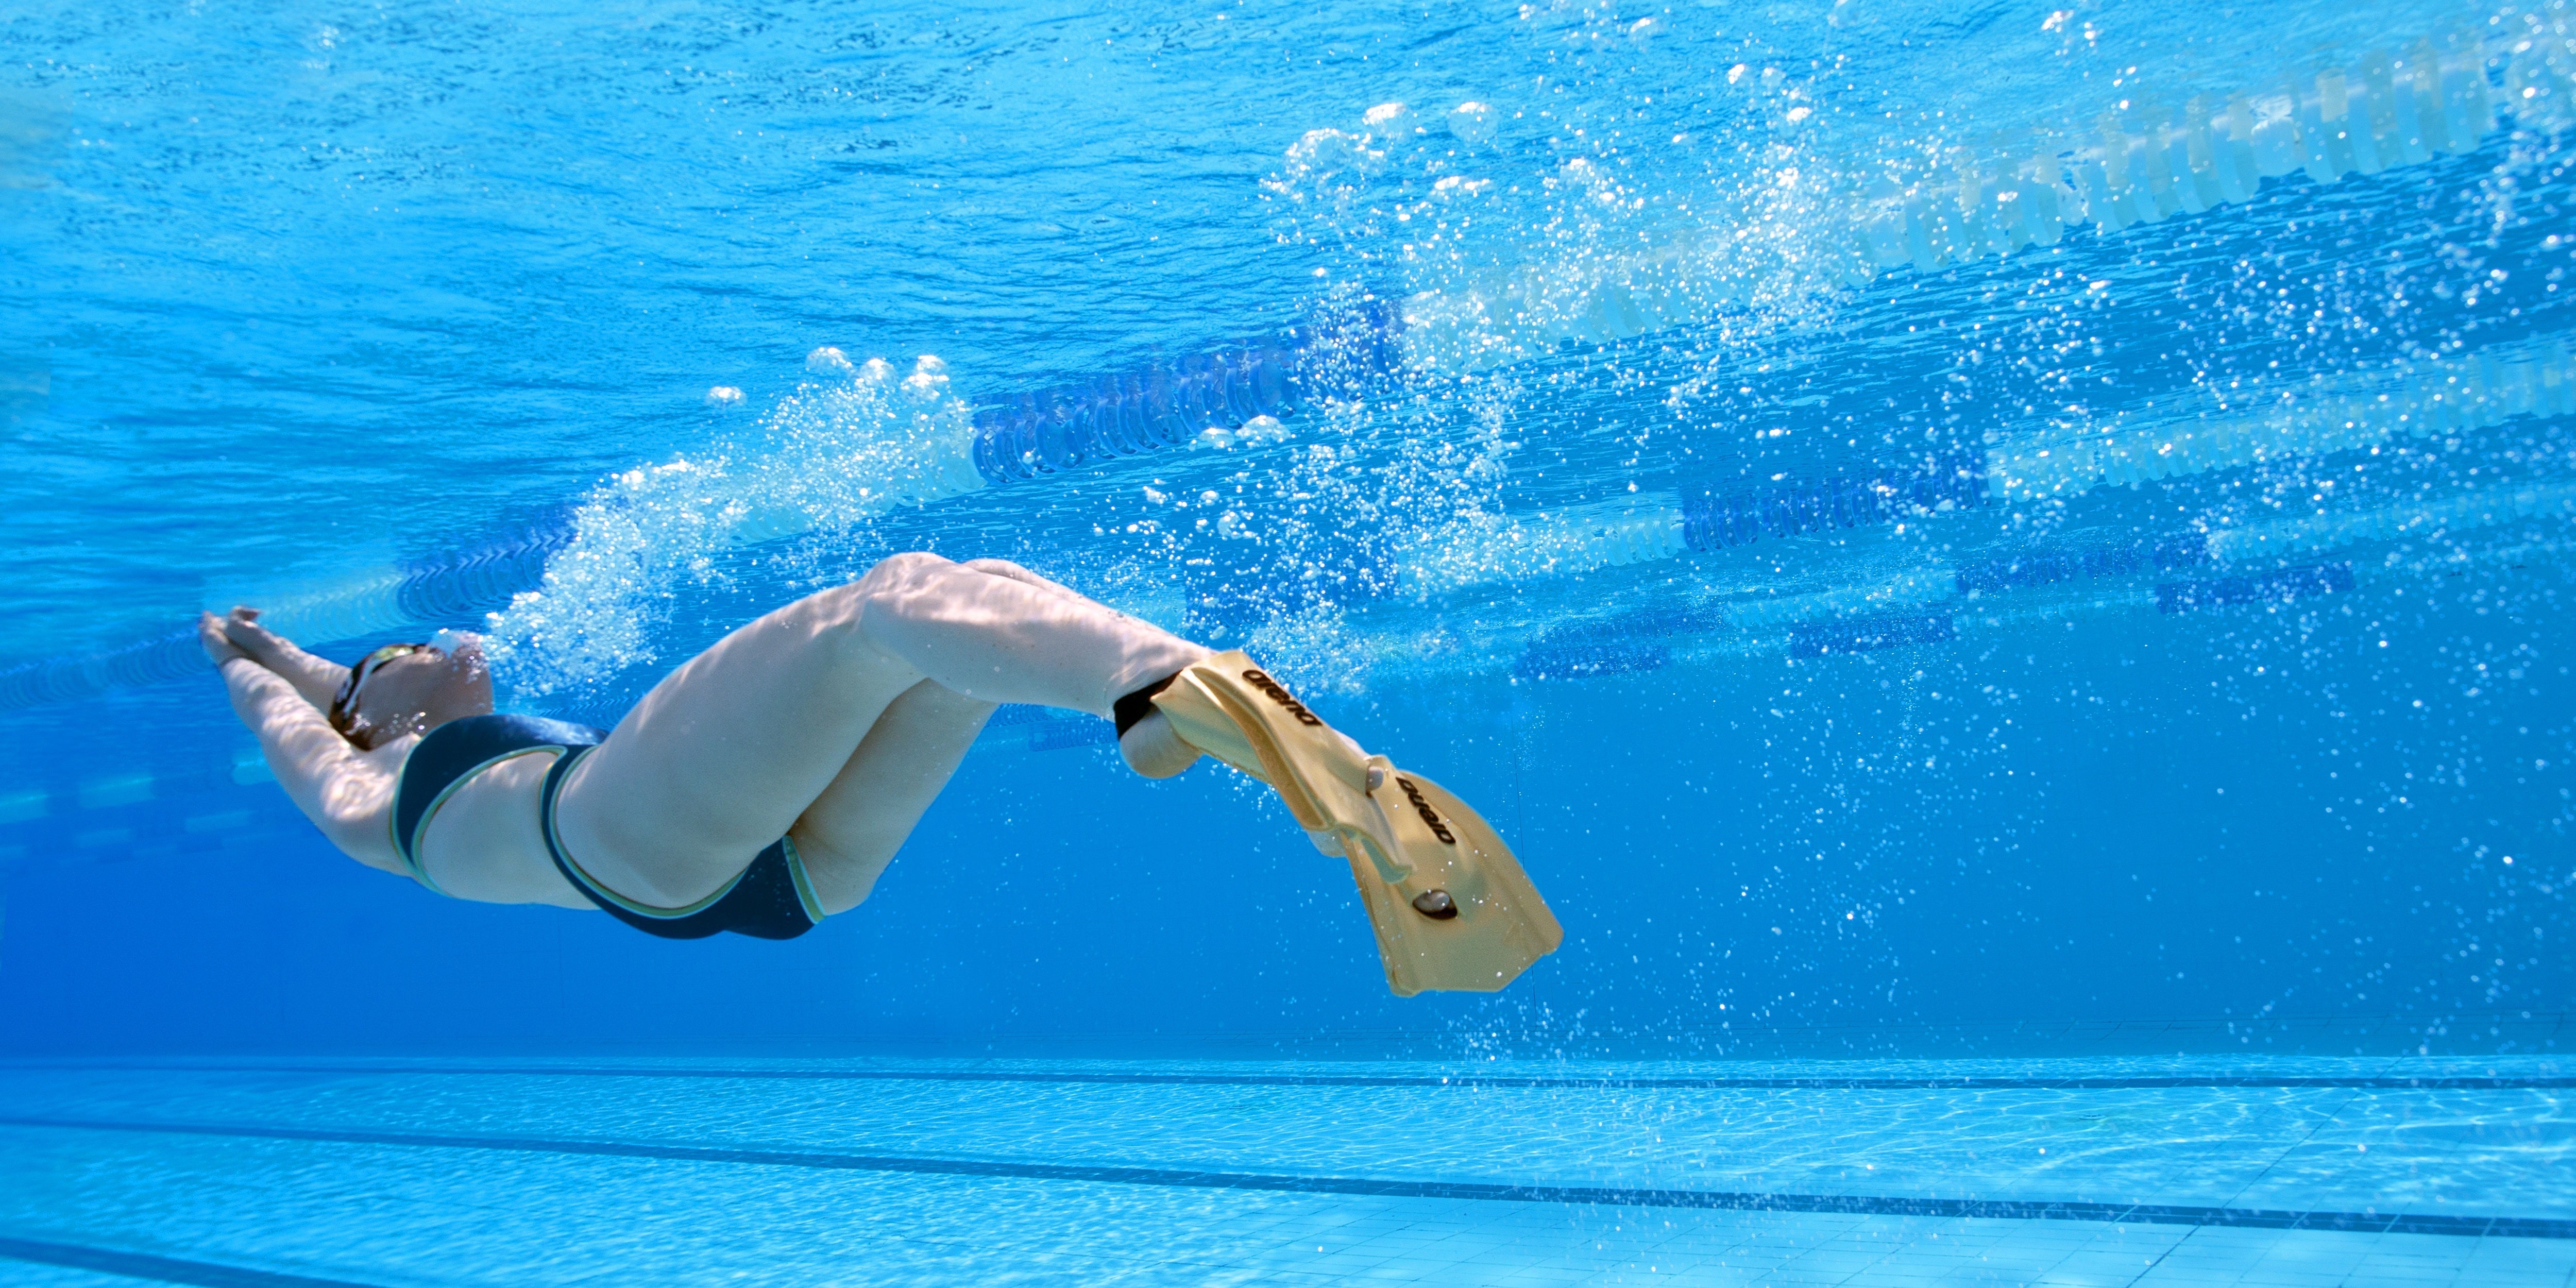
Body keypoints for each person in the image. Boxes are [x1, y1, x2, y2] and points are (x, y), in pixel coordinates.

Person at [203, 552, 1560, 994]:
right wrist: (244, 669)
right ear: (374, 717)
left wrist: (276, 643)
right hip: (620, 832)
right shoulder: (379, 799)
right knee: (894, 596)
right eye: (394, 655)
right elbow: (311, 736)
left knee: (963, 618)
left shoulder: (403, 735)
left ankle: (1164, 703)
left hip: (776, 883)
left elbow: (332, 686)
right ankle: (1165, 682)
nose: (433, 643)